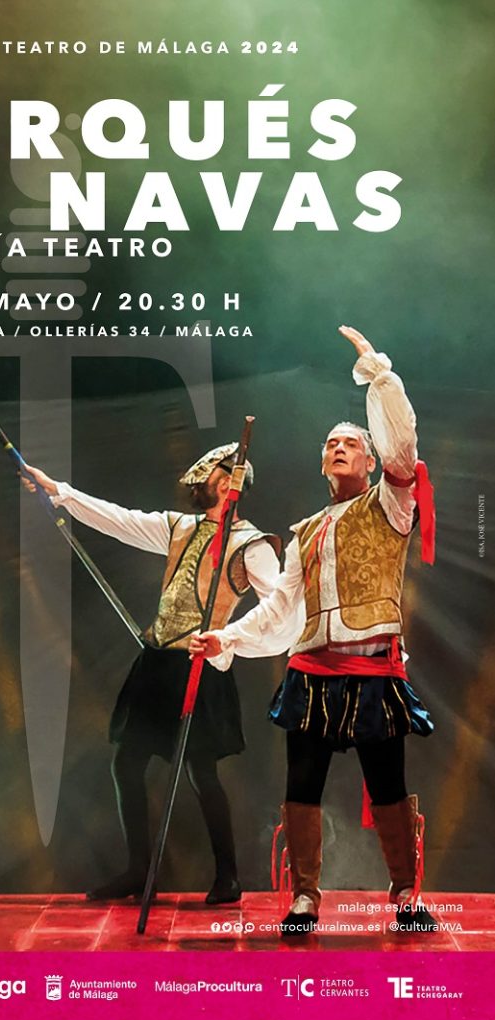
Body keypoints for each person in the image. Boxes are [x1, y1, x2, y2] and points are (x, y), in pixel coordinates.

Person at [191, 325, 436, 935]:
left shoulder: (391, 504)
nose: (338, 448)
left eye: (350, 442)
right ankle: (304, 898)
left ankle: (405, 895)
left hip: (372, 669)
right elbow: (280, 608)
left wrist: (379, 375)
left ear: (370, 460)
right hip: (312, 673)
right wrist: (228, 638)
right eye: (330, 443)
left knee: (388, 786)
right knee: (301, 785)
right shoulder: (304, 532)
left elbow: (403, 445)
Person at [22, 448, 281, 904]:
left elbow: (279, 608)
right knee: (126, 762)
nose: (194, 487)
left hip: (200, 664)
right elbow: (120, 520)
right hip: (159, 662)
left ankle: (228, 878)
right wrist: (59, 492)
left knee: (201, 771)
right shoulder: (180, 527)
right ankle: (139, 871)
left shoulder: (252, 546)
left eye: (204, 479)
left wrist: (229, 639)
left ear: (227, 483)